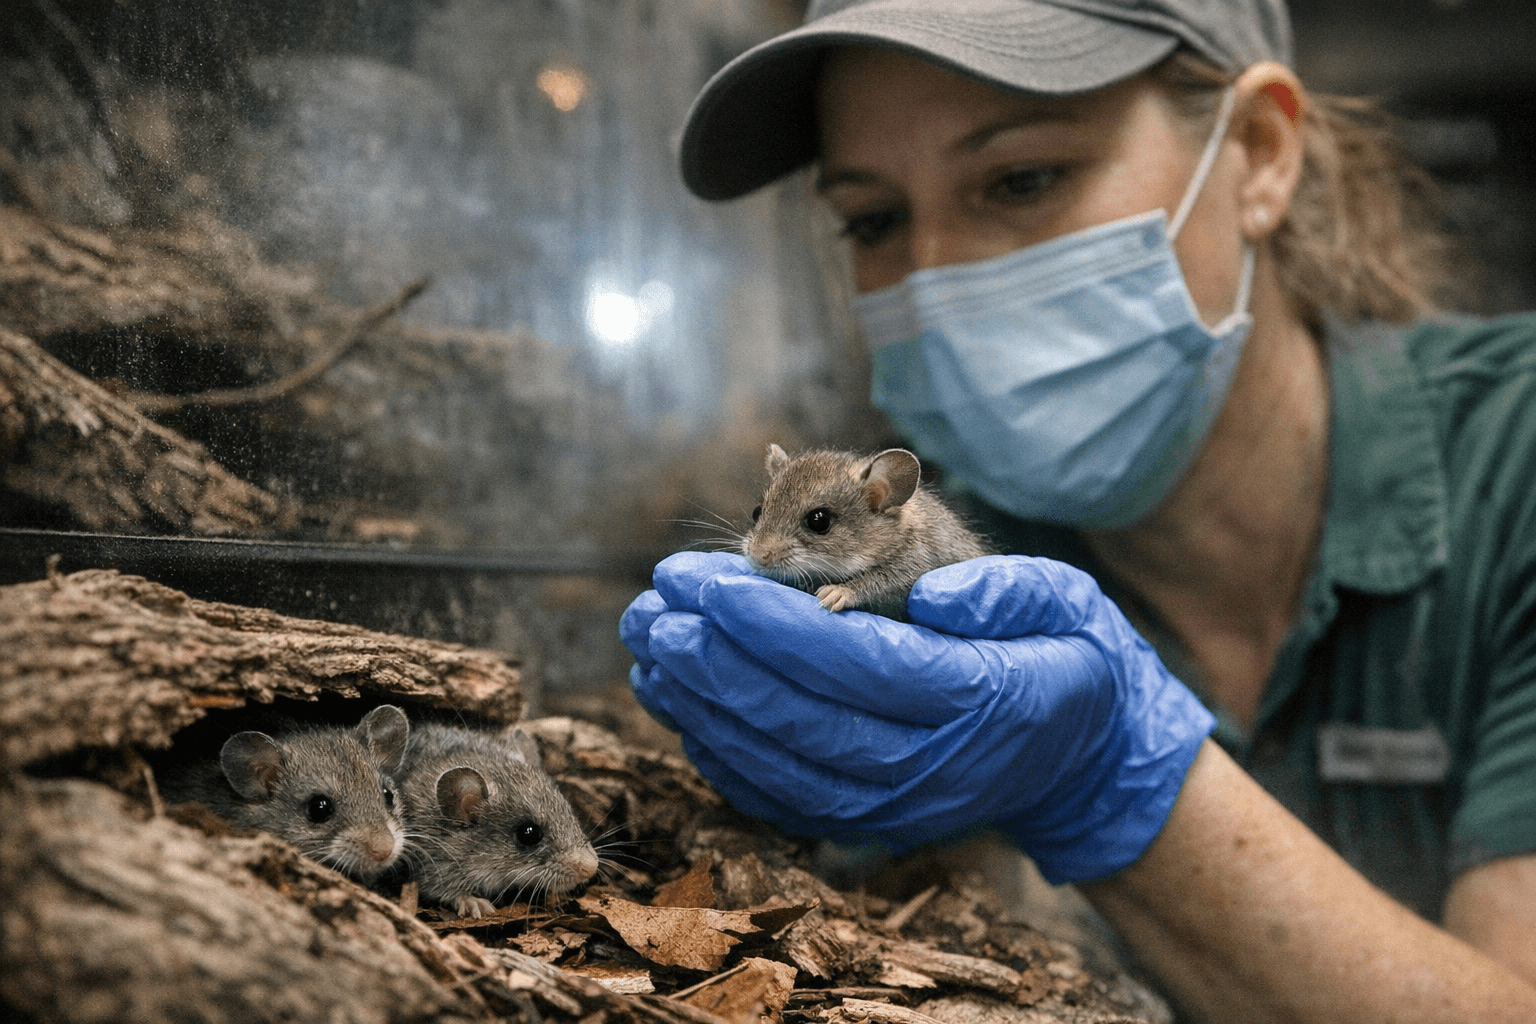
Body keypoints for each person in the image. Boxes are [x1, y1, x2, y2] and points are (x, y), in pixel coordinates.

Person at [621, 1, 1536, 1019]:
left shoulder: (1517, 459)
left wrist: (1111, 780)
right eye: (872, 218)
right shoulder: (967, 538)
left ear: (1260, 153)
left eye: (1023, 178)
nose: (934, 276)